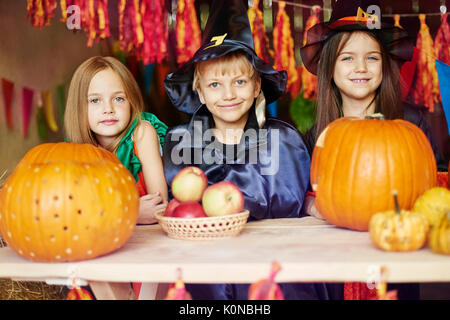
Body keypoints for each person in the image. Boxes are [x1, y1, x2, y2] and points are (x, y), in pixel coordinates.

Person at [163, 0, 336, 300]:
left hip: (276, 273)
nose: (228, 94)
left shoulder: (284, 141)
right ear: (200, 91)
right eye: (215, 85)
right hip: (208, 274)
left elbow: (299, 208)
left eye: (239, 82)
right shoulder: (183, 144)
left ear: (257, 87)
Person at [300, 0, 446, 299]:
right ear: (329, 67)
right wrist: (314, 206)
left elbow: (437, 186)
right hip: (334, 263)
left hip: (398, 254)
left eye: (372, 58)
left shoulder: (412, 121)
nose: (361, 68)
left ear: (384, 64)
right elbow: (297, 195)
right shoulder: (315, 133)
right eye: (347, 58)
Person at [64, 56, 169, 225]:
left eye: (118, 98)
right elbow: (78, 213)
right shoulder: (75, 150)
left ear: (131, 101)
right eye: (95, 100)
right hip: (103, 239)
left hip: (148, 237)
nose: (108, 109)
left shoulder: (142, 133)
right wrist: (130, 213)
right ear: (78, 107)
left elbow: (159, 204)